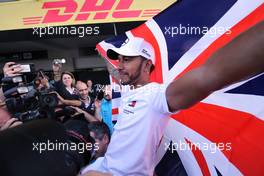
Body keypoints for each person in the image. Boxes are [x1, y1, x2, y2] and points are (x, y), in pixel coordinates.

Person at [82, 21, 264, 176]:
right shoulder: (130, 90)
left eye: (127, 59)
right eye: (119, 60)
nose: (120, 66)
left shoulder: (156, 95)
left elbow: (210, 75)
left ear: (147, 65)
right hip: (103, 166)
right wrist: (103, 53)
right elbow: (114, 70)